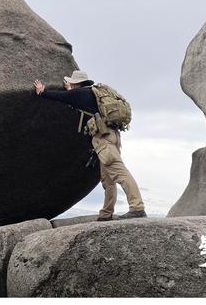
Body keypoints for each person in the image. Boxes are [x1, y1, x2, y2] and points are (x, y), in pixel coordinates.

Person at [34, 70, 147, 221]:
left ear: (76, 84)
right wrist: (71, 90)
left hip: (103, 139)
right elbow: (74, 98)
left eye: (71, 83)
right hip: (113, 135)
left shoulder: (80, 94)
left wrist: (42, 91)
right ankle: (106, 213)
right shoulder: (92, 94)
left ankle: (137, 208)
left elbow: (59, 97)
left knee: (119, 172)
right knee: (108, 180)